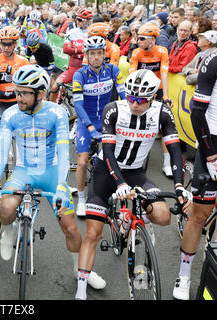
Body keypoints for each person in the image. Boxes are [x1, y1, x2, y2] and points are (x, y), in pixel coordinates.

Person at [0, 64, 106, 291]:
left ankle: (80, 270)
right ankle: (8, 230)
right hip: (23, 170)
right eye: (16, 91)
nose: (17, 97)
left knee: (70, 228)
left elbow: (62, 153)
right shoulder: (11, 114)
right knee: (4, 207)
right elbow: (1, 152)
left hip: (52, 172)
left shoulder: (56, 113)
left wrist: (62, 185)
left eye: (23, 93)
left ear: (40, 94)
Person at [75, 69, 191, 300]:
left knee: (164, 215)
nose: (134, 104)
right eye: (131, 97)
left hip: (137, 173)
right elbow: (107, 150)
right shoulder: (114, 109)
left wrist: (179, 187)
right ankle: (80, 290)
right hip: (106, 173)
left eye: (140, 100)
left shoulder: (163, 112)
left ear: (152, 98)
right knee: (92, 233)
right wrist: (119, 183)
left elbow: (176, 150)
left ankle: (138, 219)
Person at [172, 50, 217, 300]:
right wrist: (210, 155)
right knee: (200, 215)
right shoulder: (213, 59)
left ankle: (212, 263)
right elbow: (197, 112)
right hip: (213, 143)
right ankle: (184, 274)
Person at [72, 36, 126, 217]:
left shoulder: (113, 70)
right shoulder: (80, 75)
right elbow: (78, 105)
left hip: (107, 120)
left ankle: (112, 192)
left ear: (104, 54)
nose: (96, 57)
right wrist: (89, 128)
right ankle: (81, 198)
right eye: (92, 53)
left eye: (99, 53)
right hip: (87, 121)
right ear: (86, 55)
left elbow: (124, 96)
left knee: (113, 159)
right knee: (82, 161)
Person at [129, 23, 173, 177]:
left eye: (141, 38)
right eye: (137, 38)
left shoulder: (162, 51)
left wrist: (166, 96)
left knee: (165, 126)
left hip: (158, 91)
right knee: (136, 123)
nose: (137, 41)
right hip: (141, 91)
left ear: (152, 40)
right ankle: (135, 158)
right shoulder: (136, 53)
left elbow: (165, 74)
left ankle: (167, 163)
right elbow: (132, 75)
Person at [0, 26, 29, 162]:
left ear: (15, 44)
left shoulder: (23, 62)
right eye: (3, 44)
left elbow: (27, 89)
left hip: (21, 105)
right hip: (4, 106)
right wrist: (15, 92)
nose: (5, 47)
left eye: (9, 44)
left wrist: (12, 72)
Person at [49, 8, 92, 103]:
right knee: (55, 86)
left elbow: (91, 52)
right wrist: (81, 50)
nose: (77, 21)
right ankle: (52, 106)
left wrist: (74, 51)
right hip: (73, 68)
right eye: (77, 18)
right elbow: (65, 49)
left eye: (80, 20)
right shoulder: (72, 32)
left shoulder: (92, 33)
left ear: (88, 21)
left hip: (88, 69)